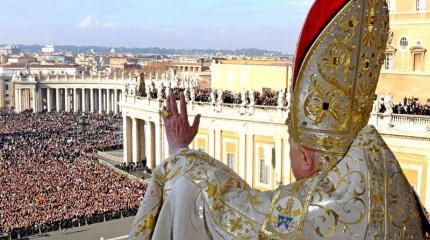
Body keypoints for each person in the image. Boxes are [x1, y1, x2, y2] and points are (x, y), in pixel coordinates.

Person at [130, 0, 430, 239]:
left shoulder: (306, 213)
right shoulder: (393, 193)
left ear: (305, 157)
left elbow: (219, 208)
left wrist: (180, 149)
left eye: (291, 145)